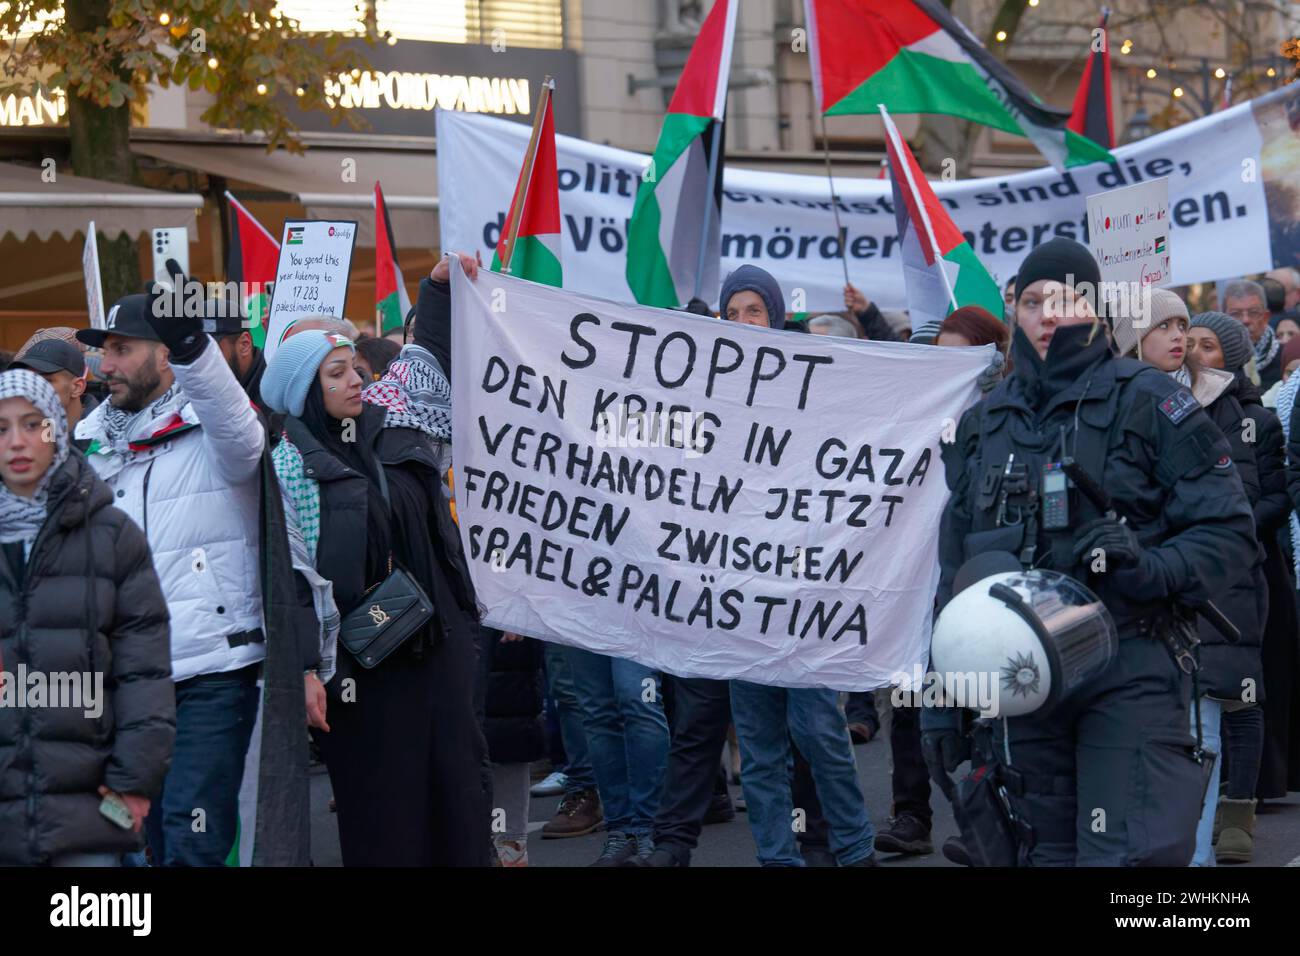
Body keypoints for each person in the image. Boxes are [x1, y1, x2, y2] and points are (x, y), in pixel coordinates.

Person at [929, 238, 1258, 866]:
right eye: (1031, 301)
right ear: (1015, 311)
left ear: (1098, 312)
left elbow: (1229, 532)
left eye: (1065, 299)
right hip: (1017, 687)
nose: (1047, 315)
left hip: (1129, 670)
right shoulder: (985, 422)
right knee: (1035, 856)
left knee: (1122, 860)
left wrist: (1146, 564)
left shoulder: (1154, 400)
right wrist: (941, 704)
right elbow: (951, 573)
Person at [262, 296, 489, 865]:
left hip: (439, 652)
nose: (355, 380)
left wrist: (438, 290)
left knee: (459, 800)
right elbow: (289, 577)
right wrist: (307, 669)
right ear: (304, 392)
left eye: (356, 368)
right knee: (386, 815)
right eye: (335, 374)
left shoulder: (396, 421)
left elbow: (430, 351)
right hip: (363, 668)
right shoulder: (287, 469)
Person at [73, 285, 268, 867]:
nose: (105, 365)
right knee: (146, 840)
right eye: (102, 351)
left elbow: (241, 431)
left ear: (164, 356)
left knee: (193, 836)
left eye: (121, 349)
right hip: (128, 680)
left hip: (211, 670)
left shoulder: (216, 432)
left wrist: (194, 346)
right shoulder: (93, 450)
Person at [715, 265, 879, 867]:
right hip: (742, 598)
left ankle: (855, 852)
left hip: (808, 598)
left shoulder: (819, 385)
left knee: (819, 734)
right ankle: (778, 859)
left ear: (778, 315)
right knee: (759, 750)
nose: (743, 323)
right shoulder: (710, 394)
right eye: (732, 314)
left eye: (754, 310)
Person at [1114, 293, 1265, 868]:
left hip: (1209, 602)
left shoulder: (1218, 404)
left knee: (1200, 741)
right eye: (1165, 325)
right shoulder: (1107, 405)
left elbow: (1240, 509)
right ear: (1131, 337)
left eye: (1185, 324)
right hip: (1134, 608)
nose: (1180, 335)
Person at [0, 371, 175, 866]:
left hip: (90, 805)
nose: (17, 441)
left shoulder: (113, 536)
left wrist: (134, 781)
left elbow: (143, 673)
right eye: (1, 428)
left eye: (33, 424)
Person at [1188, 311, 1289, 862]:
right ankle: (1194, 816)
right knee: (1194, 697)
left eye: (1210, 344)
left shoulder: (1258, 420)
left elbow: (1279, 493)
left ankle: (1237, 816)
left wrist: (1235, 522)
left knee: (1239, 694)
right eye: (1191, 342)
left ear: (1229, 355)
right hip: (1187, 571)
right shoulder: (1168, 412)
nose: (1197, 352)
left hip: (1242, 574)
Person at [478, 630, 546, 866]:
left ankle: (509, 848)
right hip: (453, 620)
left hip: (504, 621)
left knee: (507, 738)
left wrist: (515, 614)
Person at [10, 339, 97, 444]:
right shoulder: (17, 438)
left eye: (45, 381)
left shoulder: (109, 434)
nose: (32, 388)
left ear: (77, 387)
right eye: (27, 379)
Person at [1223, 279, 1283, 390]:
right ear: (1223, 318)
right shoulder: (1217, 362)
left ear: (1266, 317)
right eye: (1235, 314)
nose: (1245, 320)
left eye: (1253, 312)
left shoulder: (1284, 357)